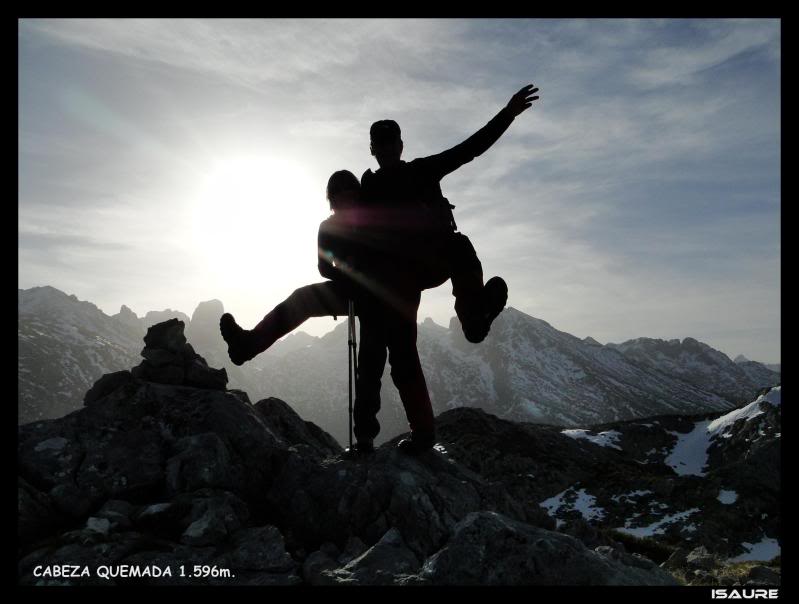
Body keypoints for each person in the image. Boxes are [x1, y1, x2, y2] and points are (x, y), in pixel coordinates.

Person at [359, 83, 540, 344]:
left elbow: (470, 149)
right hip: (399, 271)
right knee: (459, 246)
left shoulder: (420, 171)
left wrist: (507, 115)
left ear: (400, 145)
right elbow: (346, 226)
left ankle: (475, 318)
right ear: (373, 149)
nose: (386, 149)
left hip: (431, 261)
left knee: (459, 245)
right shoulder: (369, 189)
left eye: (390, 143)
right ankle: (475, 316)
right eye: (381, 144)